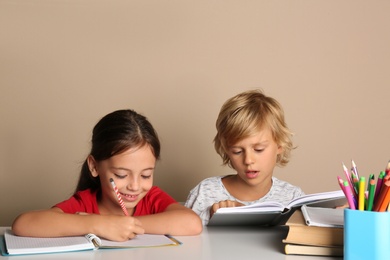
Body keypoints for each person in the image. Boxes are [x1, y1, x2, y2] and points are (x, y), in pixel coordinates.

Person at [12, 109, 202, 241]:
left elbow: (192, 223)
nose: (135, 186)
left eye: (145, 175)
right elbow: (24, 224)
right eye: (121, 175)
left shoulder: (152, 197)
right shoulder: (84, 203)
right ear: (94, 167)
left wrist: (123, 225)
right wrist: (98, 224)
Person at [185, 89, 305, 225]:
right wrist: (214, 222)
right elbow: (185, 241)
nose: (248, 160)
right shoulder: (205, 193)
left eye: (259, 149)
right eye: (237, 151)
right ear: (226, 150)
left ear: (279, 146)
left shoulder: (293, 198)